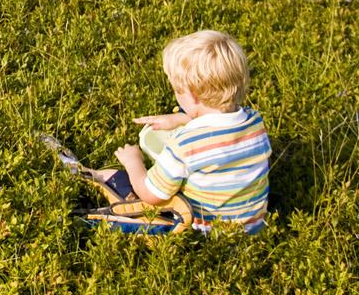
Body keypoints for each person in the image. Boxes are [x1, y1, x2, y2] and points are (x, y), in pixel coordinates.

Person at [93, 30, 272, 233]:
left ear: (193, 95)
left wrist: (134, 161)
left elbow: (151, 194)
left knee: (113, 177)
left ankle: (86, 191)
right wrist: (180, 119)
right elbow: (219, 131)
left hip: (203, 232)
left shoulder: (186, 144)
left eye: (177, 90)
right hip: (253, 227)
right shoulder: (255, 122)